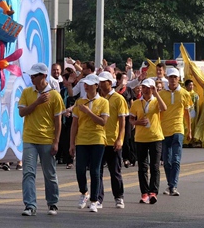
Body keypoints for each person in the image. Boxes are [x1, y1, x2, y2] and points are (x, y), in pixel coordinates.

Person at [18, 63, 64, 217]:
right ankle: (30, 205)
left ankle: (53, 203)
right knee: (28, 173)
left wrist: (56, 141)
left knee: (49, 173)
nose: (32, 78)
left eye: (35, 75)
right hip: (29, 138)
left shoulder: (55, 95)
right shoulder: (27, 92)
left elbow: (58, 121)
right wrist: (37, 102)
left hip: (46, 139)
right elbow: (22, 112)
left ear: (44, 76)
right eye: (31, 75)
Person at [70, 74, 109, 213]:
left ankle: (94, 200)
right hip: (82, 140)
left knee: (95, 170)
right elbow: (74, 124)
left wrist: (88, 112)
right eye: (85, 84)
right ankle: (84, 192)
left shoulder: (103, 102)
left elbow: (103, 122)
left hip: (97, 139)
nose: (86, 86)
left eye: (89, 84)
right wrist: (72, 143)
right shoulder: (80, 102)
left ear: (96, 86)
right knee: (80, 169)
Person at [130, 78, 167, 204]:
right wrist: (137, 122)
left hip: (155, 137)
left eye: (149, 87)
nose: (146, 90)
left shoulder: (156, 101)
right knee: (142, 167)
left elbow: (164, 108)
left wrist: (156, 93)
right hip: (140, 138)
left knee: (154, 166)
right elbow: (131, 119)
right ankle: (144, 193)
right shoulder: (136, 103)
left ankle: (153, 192)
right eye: (144, 87)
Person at [96, 71, 128, 209]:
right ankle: (98, 198)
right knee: (97, 172)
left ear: (110, 82)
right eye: (100, 81)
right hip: (98, 140)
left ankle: (118, 197)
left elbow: (122, 122)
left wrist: (120, 138)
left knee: (115, 171)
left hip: (112, 140)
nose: (100, 84)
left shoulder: (118, 99)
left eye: (103, 81)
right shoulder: (96, 98)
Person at [159, 67, 192, 196]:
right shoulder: (161, 94)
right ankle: (170, 184)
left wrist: (189, 130)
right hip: (164, 130)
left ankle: (173, 186)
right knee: (166, 162)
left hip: (178, 129)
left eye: (175, 77)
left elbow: (187, 113)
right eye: (171, 77)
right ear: (167, 78)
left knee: (176, 159)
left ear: (179, 79)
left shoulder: (184, 93)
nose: (173, 80)